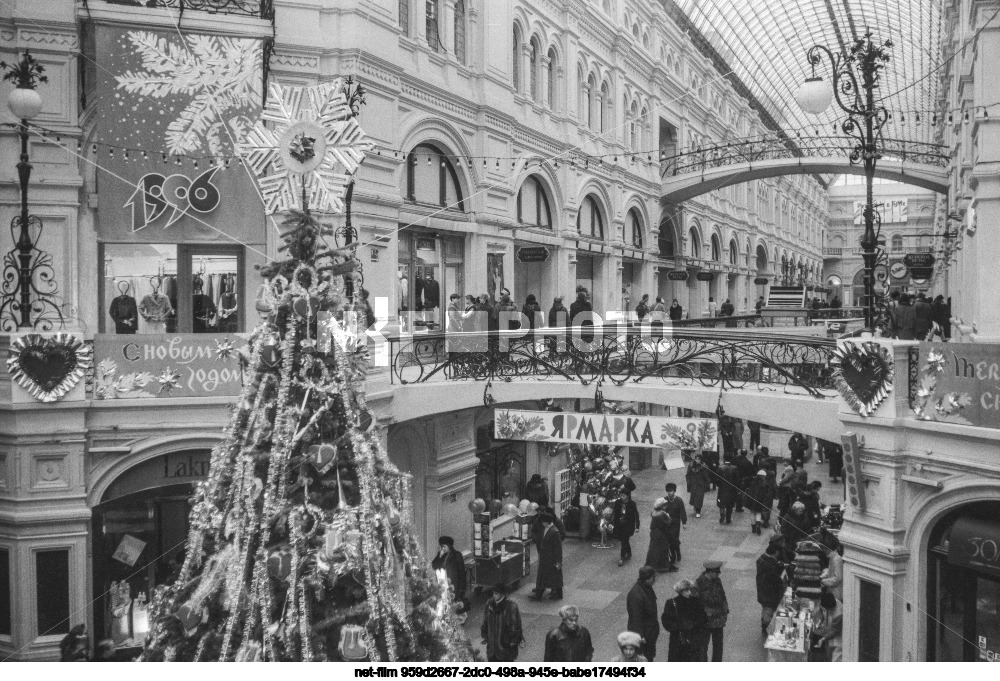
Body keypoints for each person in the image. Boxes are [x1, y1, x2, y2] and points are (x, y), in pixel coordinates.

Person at [660, 578, 708, 662]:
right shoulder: (672, 603)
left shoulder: (696, 601)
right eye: (686, 590)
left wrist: (693, 624)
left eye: (690, 590)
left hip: (694, 640)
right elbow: (666, 622)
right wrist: (680, 627)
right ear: (680, 591)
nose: (689, 592)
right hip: (679, 640)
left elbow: (704, 618)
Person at [695, 561, 729, 662]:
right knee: (703, 646)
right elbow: (696, 604)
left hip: (719, 619)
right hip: (706, 621)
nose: (718, 574)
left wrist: (725, 609)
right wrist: (707, 612)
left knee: (718, 645)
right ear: (709, 572)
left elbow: (722, 596)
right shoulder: (698, 584)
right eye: (716, 572)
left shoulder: (717, 580)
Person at [481, 583, 523, 662]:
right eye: (493, 593)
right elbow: (485, 621)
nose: (494, 595)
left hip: (506, 648)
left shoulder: (511, 607)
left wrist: (513, 641)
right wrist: (485, 636)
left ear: (502, 594)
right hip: (492, 648)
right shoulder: (489, 604)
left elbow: (516, 626)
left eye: (496, 594)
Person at [626, 565, 659, 661]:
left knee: (649, 657)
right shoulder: (636, 595)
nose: (655, 579)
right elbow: (636, 619)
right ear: (647, 579)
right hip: (643, 637)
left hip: (649, 633)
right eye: (653, 577)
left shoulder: (646, 588)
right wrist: (640, 637)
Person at [530, 513, 563, 600]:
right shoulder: (547, 529)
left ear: (547, 522)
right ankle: (554, 593)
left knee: (548, 576)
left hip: (551, 558)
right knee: (551, 576)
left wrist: (559, 561)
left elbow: (558, 548)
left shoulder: (554, 531)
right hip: (545, 557)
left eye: (543, 522)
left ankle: (540, 594)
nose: (542, 523)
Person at [756, 544, 786, 636]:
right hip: (769, 592)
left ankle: (764, 624)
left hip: (762, 589)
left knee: (765, 608)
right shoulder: (769, 564)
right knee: (769, 609)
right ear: (775, 552)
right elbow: (775, 579)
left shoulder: (761, 559)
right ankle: (766, 627)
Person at [645, 497, 677, 572]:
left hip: (654, 533)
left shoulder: (653, 512)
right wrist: (669, 517)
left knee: (653, 549)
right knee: (663, 549)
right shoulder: (662, 514)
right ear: (662, 506)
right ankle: (662, 566)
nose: (666, 506)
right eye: (665, 505)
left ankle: (652, 565)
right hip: (661, 534)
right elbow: (668, 523)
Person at [430, 536, 466, 601]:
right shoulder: (440, 554)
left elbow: (461, 571)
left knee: (452, 600)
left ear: (449, 546)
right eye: (441, 547)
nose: (442, 549)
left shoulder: (457, 555)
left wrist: (462, 588)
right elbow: (434, 565)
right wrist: (439, 557)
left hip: (453, 582)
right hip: (442, 581)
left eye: (444, 547)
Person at [812, 591, 843, 662]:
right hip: (829, 631)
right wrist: (820, 620)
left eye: (825, 608)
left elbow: (834, 630)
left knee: (835, 659)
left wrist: (823, 639)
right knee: (828, 655)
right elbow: (821, 610)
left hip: (839, 640)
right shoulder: (827, 600)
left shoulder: (839, 613)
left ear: (829, 608)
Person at [612, 490, 640, 566]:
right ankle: (629, 552)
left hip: (628, 525)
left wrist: (637, 526)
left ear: (627, 496)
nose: (622, 497)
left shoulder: (632, 504)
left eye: (623, 496)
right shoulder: (618, 502)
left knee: (624, 540)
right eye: (621, 496)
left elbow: (636, 515)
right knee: (623, 540)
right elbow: (615, 513)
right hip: (619, 525)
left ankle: (622, 557)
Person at [663, 482, 687, 563]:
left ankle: (678, 551)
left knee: (674, 539)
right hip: (667, 523)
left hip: (675, 523)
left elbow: (682, 512)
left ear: (674, 491)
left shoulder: (679, 500)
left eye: (671, 491)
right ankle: (673, 555)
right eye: (668, 491)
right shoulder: (665, 500)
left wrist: (684, 523)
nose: (669, 492)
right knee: (669, 540)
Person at [745, 470, 775, 534]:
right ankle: (758, 524)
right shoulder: (765, 483)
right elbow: (766, 493)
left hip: (751, 499)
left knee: (752, 513)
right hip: (759, 500)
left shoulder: (752, 480)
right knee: (758, 512)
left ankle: (753, 527)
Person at [716, 458, 741, 524]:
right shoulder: (735, 468)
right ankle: (728, 518)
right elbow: (737, 480)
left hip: (722, 489)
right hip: (732, 490)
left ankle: (722, 513)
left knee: (721, 503)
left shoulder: (720, 468)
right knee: (730, 504)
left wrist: (719, 485)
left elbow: (717, 479)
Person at [820, 535, 844, 601]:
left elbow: (838, 578)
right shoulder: (832, 558)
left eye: (824, 549)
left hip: (837, 594)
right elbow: (830, 571)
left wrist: (823, 581)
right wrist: (821, 577)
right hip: (833, 592)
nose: (823, 551)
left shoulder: (836, 559)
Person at [733, 448, 754, 512]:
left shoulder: (735, 459)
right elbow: (751, 473)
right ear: (746, 454)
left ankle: (732, 503)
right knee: (741, 493)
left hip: (735, 478)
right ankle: (738, 506)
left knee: (734, 491)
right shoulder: (748, 462)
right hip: (743, 480)